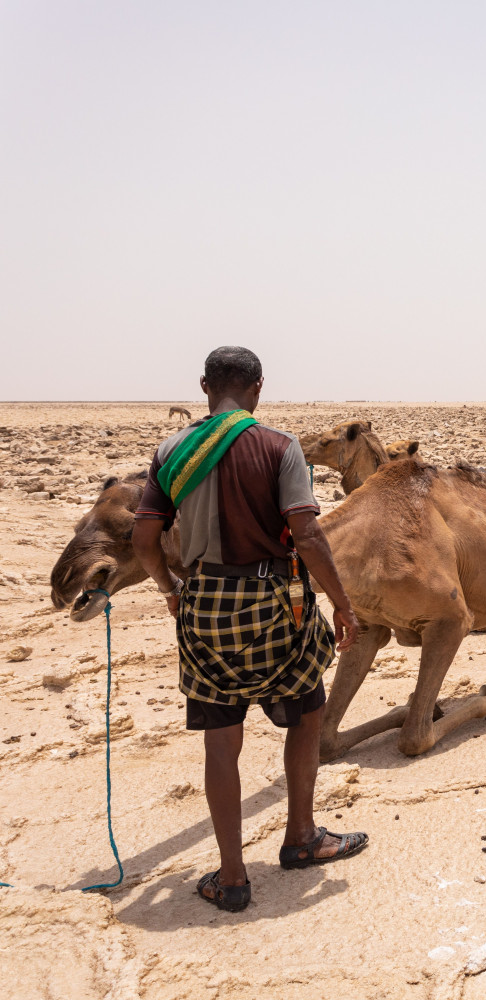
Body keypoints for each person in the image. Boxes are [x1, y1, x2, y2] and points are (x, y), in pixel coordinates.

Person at [132, 346, 366, 913]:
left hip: (204, 600)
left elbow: (144, 540)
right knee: (306, 713)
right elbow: (307, 536)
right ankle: (302, 837)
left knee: (221, 740)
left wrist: (170, 588)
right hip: (275, 601)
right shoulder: (280, 446)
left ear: (204, 387)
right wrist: (342, 603)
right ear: (258, 388)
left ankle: (232, 876)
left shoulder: (172, 449)